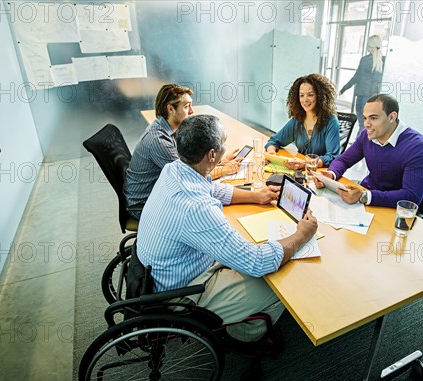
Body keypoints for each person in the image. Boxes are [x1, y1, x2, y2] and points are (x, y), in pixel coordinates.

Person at [136, 114, 318, 346]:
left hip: (161, 272)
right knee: (280, 281)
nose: (226, 147)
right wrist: (302, 234)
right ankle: (246, 334)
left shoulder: (174, 169)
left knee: (246, 248)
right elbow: (257, 262)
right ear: (212, 155)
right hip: (184, 292)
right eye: (223, 143)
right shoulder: (197, 209)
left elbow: (210, 189)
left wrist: (255, 196)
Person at [123, 84, 244, 218]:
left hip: (153, 192)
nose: (192, 111)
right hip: (144, 204)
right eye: (186, 106)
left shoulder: (166, 128)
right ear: (170, 109)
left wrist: (220, 161)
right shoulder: (160, 141)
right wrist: (224, 170)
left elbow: (190, 165)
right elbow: (190, 177)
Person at [314, 94, 423, 208]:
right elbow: (344, 160)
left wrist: (365, 196)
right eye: (365, 118)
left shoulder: (418, 147)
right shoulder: (367, 135)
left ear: (392, 117)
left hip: (390, 209)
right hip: (366, 195)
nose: (366, 124)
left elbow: (411, 197)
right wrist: (331, 174)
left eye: (373, 118)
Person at [265, 73, 340, 170]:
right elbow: (275, 141)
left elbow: (332, 157)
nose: (305, 100)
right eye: (301, 95)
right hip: (301, 172)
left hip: (320, 173)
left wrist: (306, 163)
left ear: (320, 96)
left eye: (310, 95)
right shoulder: (298, 120)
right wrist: (271, 152)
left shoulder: (331, 121)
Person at [340, 35, 385, 132]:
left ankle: (360, 145)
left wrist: (343, 89)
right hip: (376, 98)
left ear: (369, 45)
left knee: (362, 124)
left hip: (363, 96)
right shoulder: (384, 61)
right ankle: (363, 143)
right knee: (369, 124)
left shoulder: (365, 60)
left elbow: (356, 77)